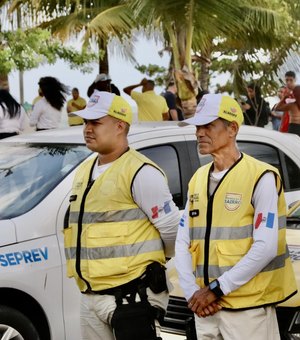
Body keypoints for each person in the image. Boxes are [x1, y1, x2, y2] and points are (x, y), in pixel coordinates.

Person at [175, 93, 297, 340]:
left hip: (247, 312)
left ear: (232, 129)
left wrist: (216, 289)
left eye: (208, 125)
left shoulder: (261, 176)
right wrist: (192, 293)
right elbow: (182, 241)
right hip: (206, 309)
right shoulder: (198, 178)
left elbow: (265, 247)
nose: (199, 132)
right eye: (198, 126)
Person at [63, 90, 180, 340]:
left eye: (96, 122)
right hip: (91, 297)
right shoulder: (85, 170)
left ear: (119, 126)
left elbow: (172, 229)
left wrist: (152, 263)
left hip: (131, 297)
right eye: (85, 122)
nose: (87, 128)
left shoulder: (141, 172)